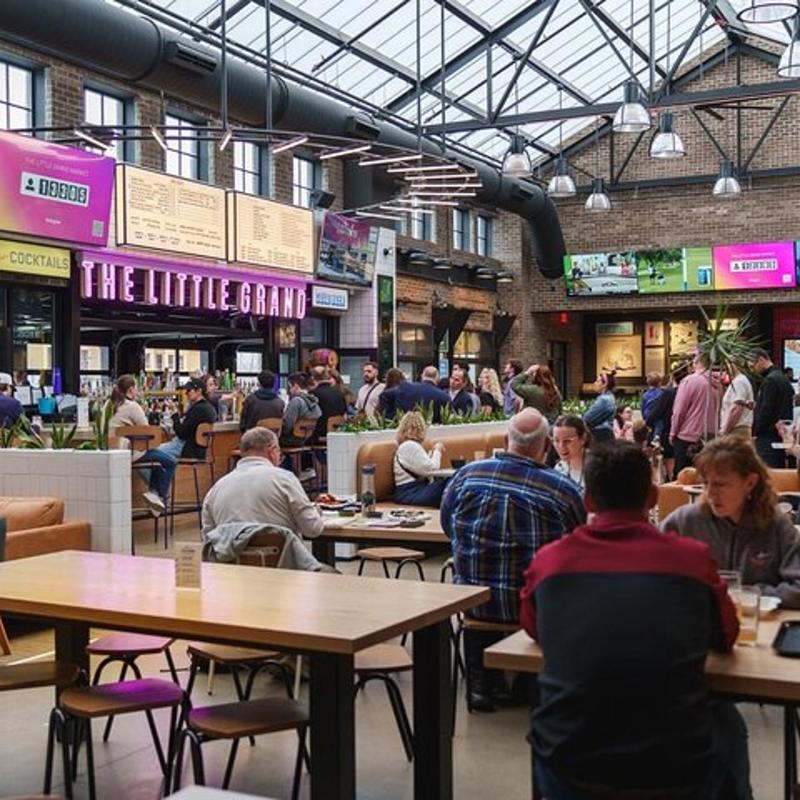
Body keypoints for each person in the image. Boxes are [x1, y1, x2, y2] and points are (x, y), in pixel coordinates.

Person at [520, 442, 749, 800]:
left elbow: (535, 629)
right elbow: (726, 635)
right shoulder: (692, 561)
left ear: (589, 501)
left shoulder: (549, 563)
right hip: (674, 767)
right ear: (653, 497)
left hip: (569, 765)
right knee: (726, 721)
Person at [441, 408, 585, 712]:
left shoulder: (466, 476)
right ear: (547, 445)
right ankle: (527, 681)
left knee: (479, 587)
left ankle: (480, 684)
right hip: (534, 606)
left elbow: (447, 525)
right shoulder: (562, 490)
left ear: (506, 440)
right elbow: (579, 544)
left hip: (472, 600)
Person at [662, 436, 800, 608]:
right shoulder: (684, 522)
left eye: (720, 485)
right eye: (706, 483)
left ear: (750, 483)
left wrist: (748, 595)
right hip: (698, 625)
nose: (710, 493)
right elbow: (651, 576)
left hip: (762, 626)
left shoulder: (775, 524)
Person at [202, 427, 324, 540]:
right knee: (322, 565)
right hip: (281, 561)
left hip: (232, 561)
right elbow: (312, 529)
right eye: (279, 453)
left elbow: (208, 538)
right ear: (272, 451)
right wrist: (316, 513)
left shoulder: (216, 489)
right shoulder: (284, 479)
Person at [138, 377, 217, 515]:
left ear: (199, 391)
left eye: (189, 391)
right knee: (155, 458)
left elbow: (181, 433)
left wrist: (175, 414)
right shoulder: (209, 408)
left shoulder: (197, 410)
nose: (186, 394)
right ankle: (157, 494)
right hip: (199, 449)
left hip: (186, 447)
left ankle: (158, 493)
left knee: (145, 455)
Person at [671, 355, 723, 476]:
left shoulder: (690, 381)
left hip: (688, 437)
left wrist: (673, 433)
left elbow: (679, 411)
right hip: (711, 437)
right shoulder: (718, 385)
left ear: (696, 363)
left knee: (684, 477)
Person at [391, 411, 449, 507]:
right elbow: (432, 469)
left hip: (415, 490)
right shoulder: (409, 446)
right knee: (452, 483)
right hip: (410, 492)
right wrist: (437, 450)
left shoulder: (410, 446)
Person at [645, 363, 689, 482]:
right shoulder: (688, 391)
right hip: (688, 433)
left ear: (672, 377)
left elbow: (654, 414)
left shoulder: (669, 393)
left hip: (668, 432)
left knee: (666, 465)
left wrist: (649, 424)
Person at [752, 348, 794, 468]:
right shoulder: (781, 378)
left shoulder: (770, 380)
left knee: (767, 474)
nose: (753, 369)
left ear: (761, 360)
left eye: (753, 364)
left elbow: (766, 410)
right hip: (780, 436)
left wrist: (756, 431)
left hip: (768, 437)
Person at [379, 366, 450, 422]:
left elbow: (384, 396)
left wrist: (391, 418)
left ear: (422, 375)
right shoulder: (444, 397)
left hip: (404, 429)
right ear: (437, 378)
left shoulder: (405, 387)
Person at [281, 372, 322, 447]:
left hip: (292, 439)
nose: (289, 390)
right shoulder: (314, 401)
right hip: (307, 438)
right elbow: (319, 414)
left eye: (290, 387)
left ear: (296, 386)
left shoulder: (296, 401)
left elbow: (287, 425)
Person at [552, 414, 590, 489]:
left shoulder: (599, 467)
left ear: (583, 439)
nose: (561, 446)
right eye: (556, 441)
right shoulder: (559, 468)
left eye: (567, 441)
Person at [310, 365, 348, 440]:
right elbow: (343, 413)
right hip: (336, 432)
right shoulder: (339, 393)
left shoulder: (313, 394)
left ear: (313, 378)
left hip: (318, 435)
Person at [719, 365, 754, 441]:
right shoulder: (738, 381)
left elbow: (736, 410)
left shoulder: (739, 382)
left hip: (737, 430)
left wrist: (725, 431)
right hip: (737, 430)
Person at [583, 370, 617, 444]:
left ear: (605, 384)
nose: (594, 383)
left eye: (597, 381)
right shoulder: (610, 397)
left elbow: (587, 418)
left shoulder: (604, 400)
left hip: (600, 437)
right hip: (606, 436)